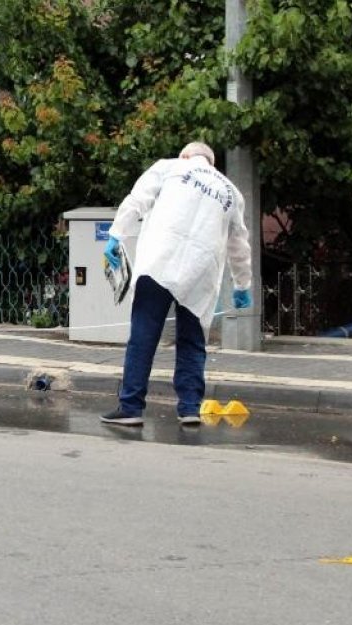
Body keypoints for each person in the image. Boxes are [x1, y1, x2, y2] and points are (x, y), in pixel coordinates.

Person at [100, 141, 253, 426]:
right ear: (213, 165)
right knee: (193, 341)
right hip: (202, 271)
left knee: (144, 333)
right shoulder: (230, 192)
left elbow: (137, 200)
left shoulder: (170, 167)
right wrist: (243, 285)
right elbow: (239, 245)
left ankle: (131, 407)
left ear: (186, 155)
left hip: (161, 260)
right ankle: (190, 408)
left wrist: (116, 234)